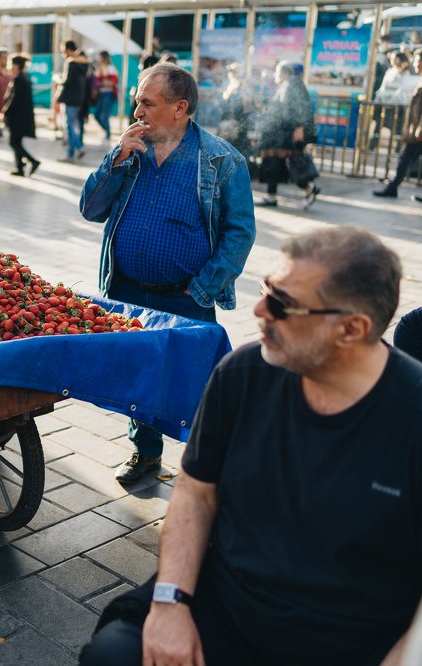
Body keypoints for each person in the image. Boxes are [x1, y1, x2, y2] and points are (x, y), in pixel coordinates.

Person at [80, 226, 422, 666]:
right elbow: (196, 493)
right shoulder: (243, 373)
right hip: (225, 603)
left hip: (344, 639)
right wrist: (169, 603)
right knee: (116, 652)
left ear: (351, 329)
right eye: (266, 289)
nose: (259, 309)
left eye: (283, 304)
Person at [79, 63, 256, 483]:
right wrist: (115, 159)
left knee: (196, 382)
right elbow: (91, 209)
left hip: (186, 297)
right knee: (139, 376)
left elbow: (240, 231)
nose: (136, 109)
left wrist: (203, 289)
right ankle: (145, 453)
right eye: (137, 100)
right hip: (126, 291)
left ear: (180, 108)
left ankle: (211, 466)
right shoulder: (130, 150)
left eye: (147, 102)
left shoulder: (220, 159)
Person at [256, 61, 319, 210]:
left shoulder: (294, 84)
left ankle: (309, 188)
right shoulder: (287, 85)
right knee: (273, 163)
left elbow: (301, 108)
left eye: (277, 71)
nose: (275, 75)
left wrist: (299, 128)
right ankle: (272, 196)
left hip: (287, 134)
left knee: (293, 163)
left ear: (285, 72)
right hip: (279, 133)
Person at [374, 77, 422, 199]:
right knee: (404, 160)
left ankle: (392, 187)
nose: (416, 63)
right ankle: (392, 187)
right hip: (416, 131)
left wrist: (420, 127)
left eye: (418, 60)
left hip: (419, 132)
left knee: (405, 159)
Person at [2, 54, 39, 177]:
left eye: (11, 64)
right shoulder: (23, 78)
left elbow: (14, 100)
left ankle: (33, 161)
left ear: (16, 66)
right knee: (16, 142)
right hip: (20, 117)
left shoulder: (19, 80)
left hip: (18, 118)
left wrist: (4, 112)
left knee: (13, 142)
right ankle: (19, 167)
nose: (9, 66)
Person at [58, 40, 89, 163]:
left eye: (63, 50)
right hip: (79, 98)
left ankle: (79, 147)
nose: (63, 53)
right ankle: (71, 153)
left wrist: (57, 79)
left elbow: (67, 81)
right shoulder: (83, 62)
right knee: (72, 125)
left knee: (69, 126)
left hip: (69, 98)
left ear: (68, 50)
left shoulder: (70, 62)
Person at [218, 62, 251, 159]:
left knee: (234, 152)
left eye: (233, 72)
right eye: (230, 72)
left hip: (236, 124)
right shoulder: (231, 84)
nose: (230, 74)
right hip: (227, 122)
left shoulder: (242, 85)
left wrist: (238, 123)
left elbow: (245, 107)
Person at [93, 50, 119, 141]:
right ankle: (106, 130)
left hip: (108, 94)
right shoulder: (100, 68)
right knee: (96, 114)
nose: (97, 58)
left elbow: (112, 83)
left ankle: (108, 133)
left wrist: (101, 84)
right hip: (101, 94)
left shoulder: (110, 68)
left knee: (105, 116)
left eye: (99, 56)